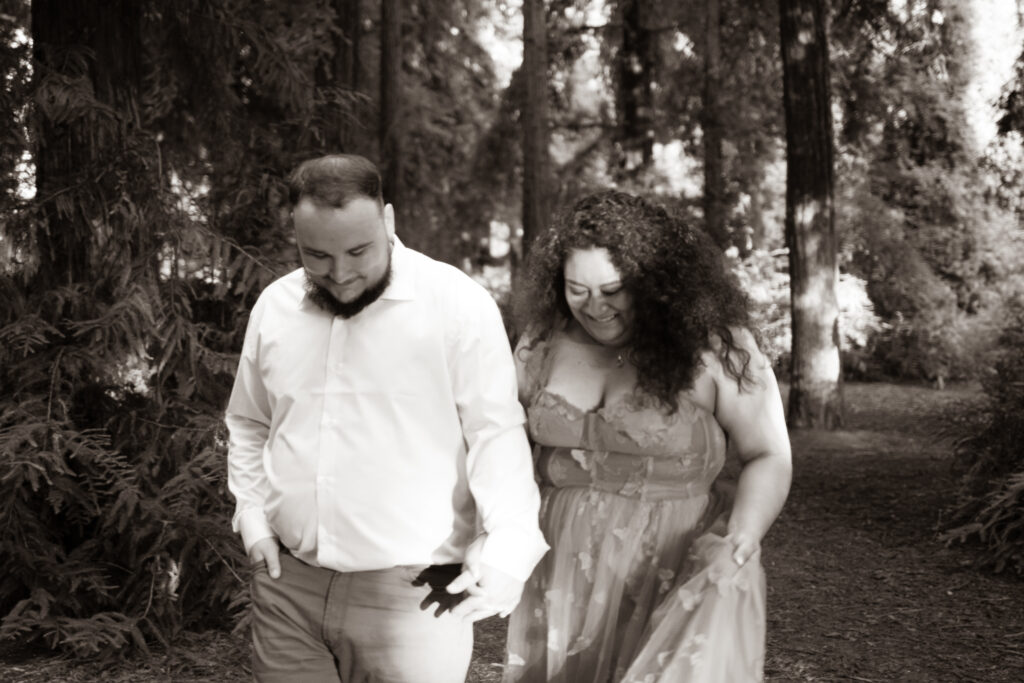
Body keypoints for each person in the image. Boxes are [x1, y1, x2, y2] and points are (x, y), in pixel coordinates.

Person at [225, 154, 548, 683]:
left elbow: (495, 433)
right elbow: (249, 422)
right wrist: (254, 520)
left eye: (358, 250)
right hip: (289, 588)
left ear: (389, 220)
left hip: (417, 597)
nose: (341, 273)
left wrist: (511, 549)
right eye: (317, 255)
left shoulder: (457, 304)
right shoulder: (274, 307)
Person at [502, 190, 792, 682]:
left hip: (671, 563)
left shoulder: (715, 346)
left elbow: (768, 453)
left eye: (613, 288)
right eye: (577, 289)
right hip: (558, 569)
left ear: (654, 281)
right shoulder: (540, 342)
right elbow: (500, 440)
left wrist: (743, 534)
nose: (595, 307)